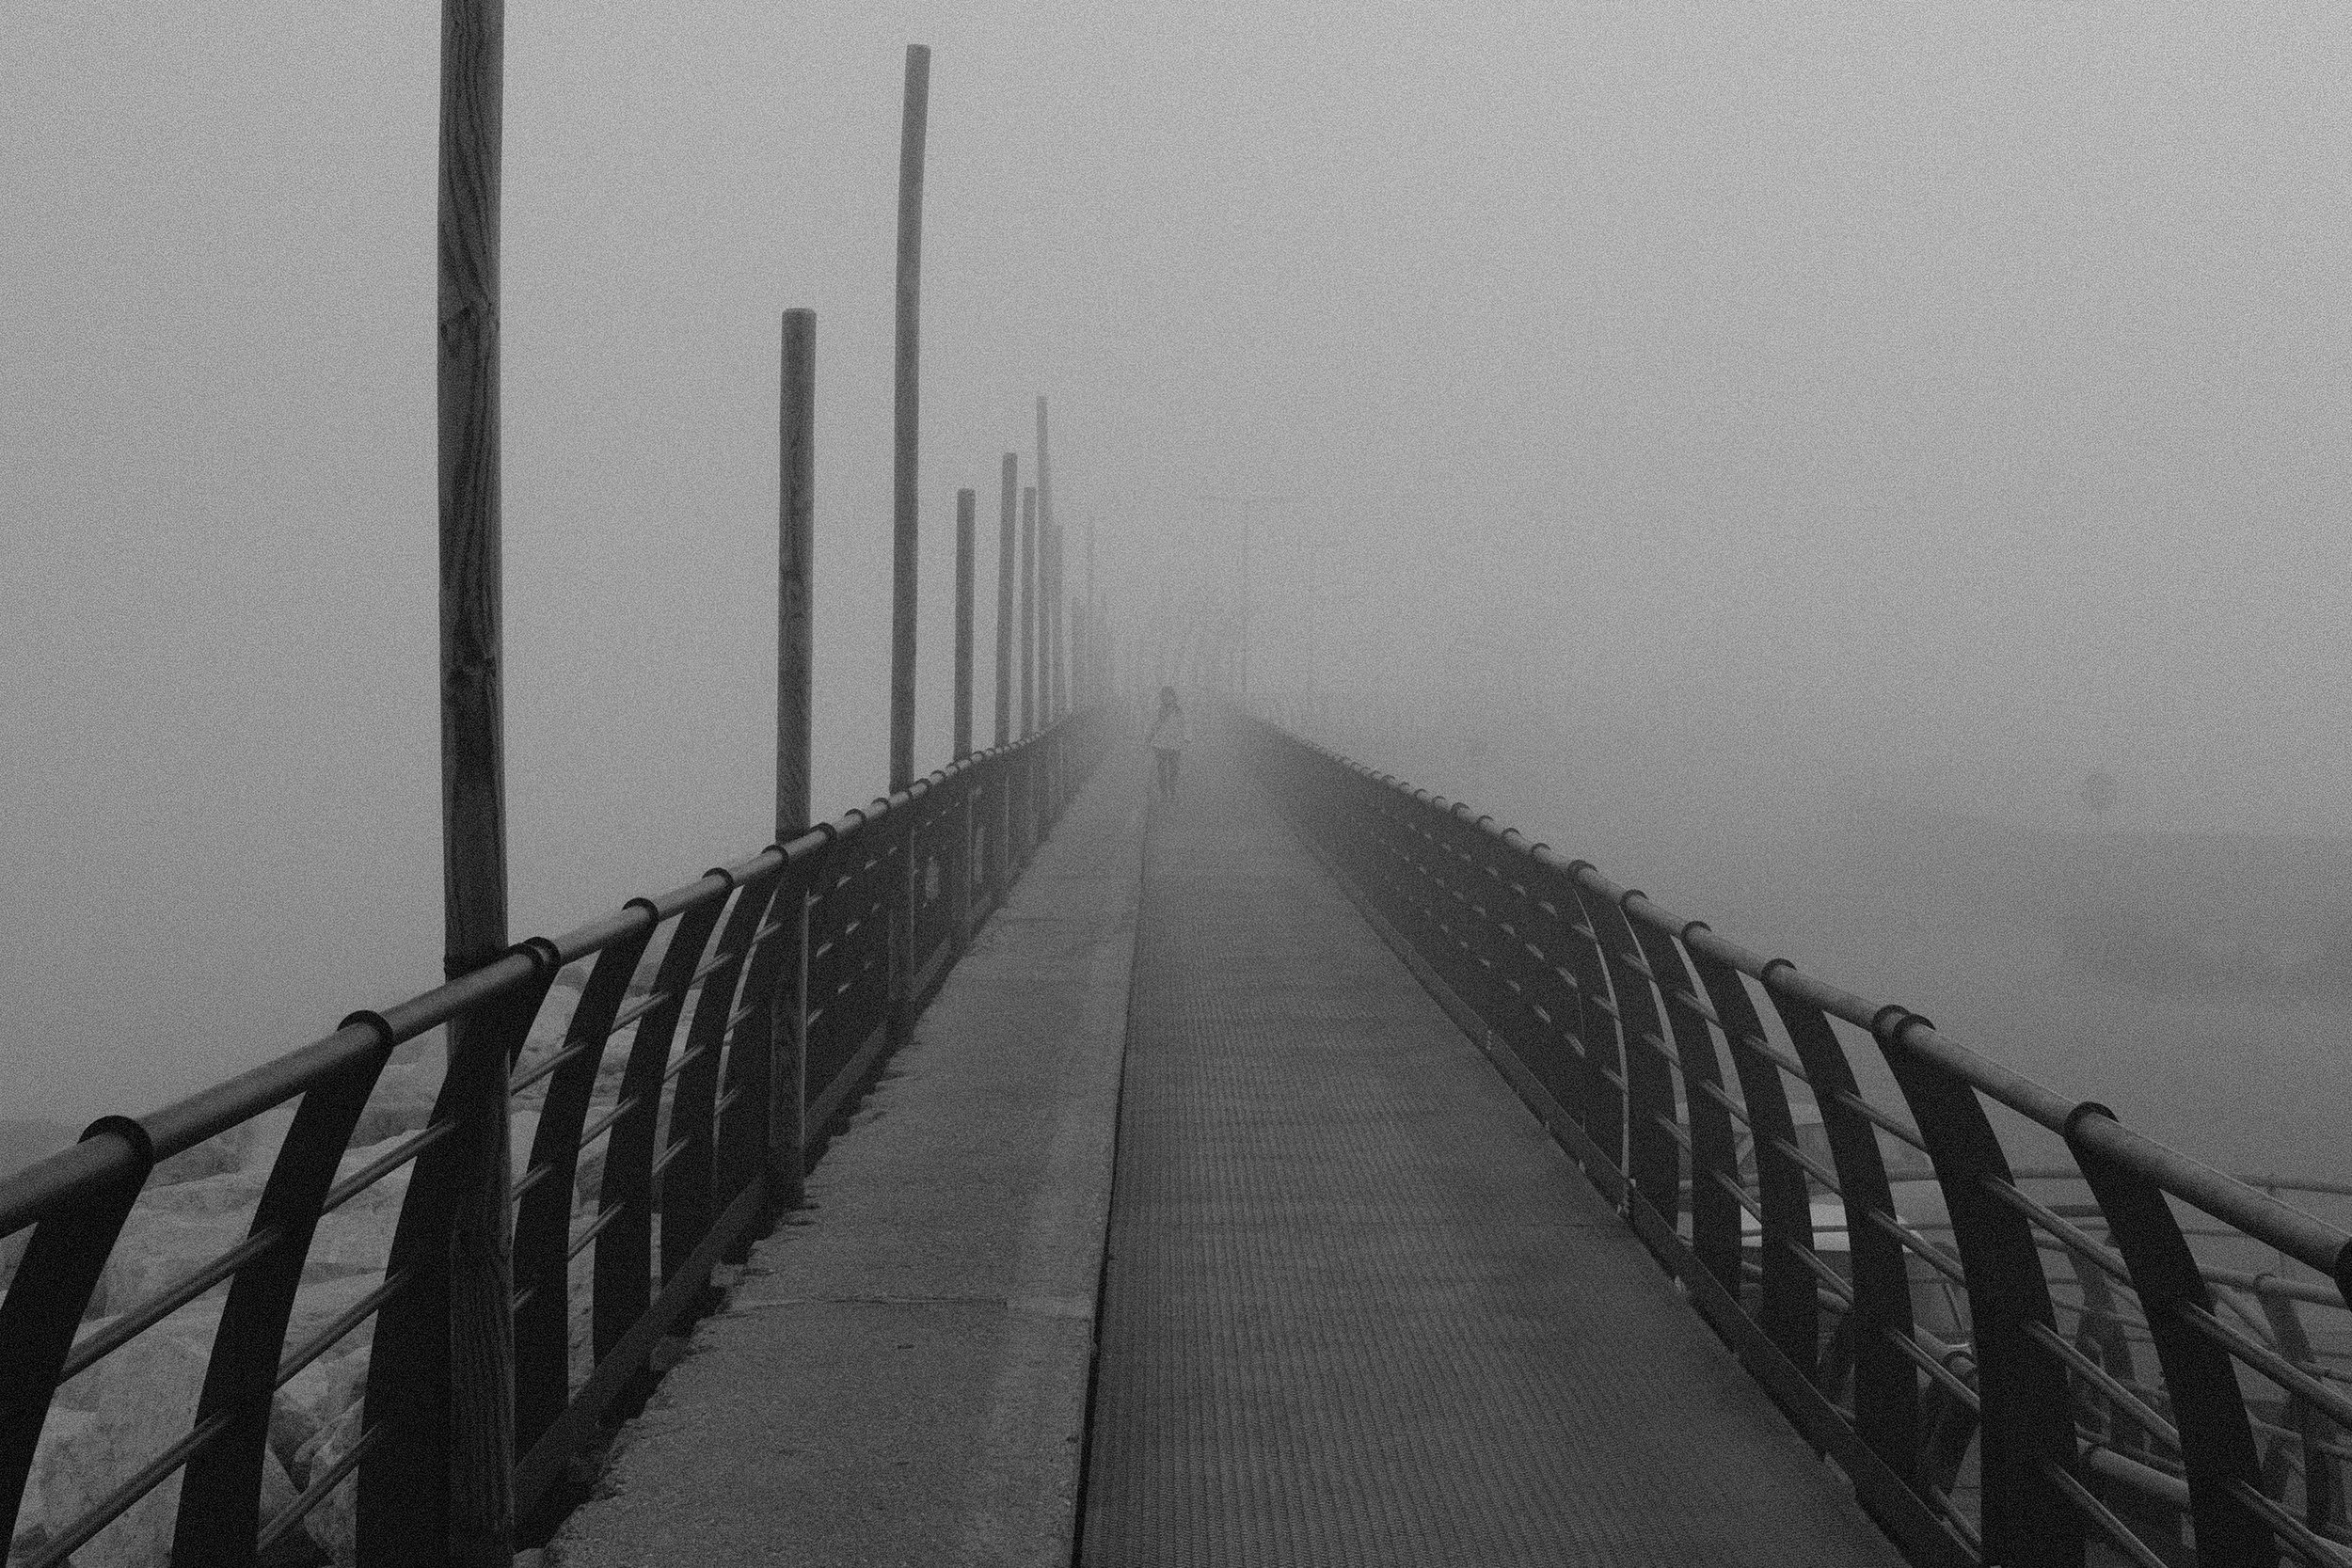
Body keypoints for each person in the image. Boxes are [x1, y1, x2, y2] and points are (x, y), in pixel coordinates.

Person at [1145, 686, 1189, 799]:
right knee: (1162, 770)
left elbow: (1184, 725)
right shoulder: (1158, 710)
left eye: (1169, 695)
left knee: (1174, 769)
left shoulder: (1179, 711)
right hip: (1160, 744)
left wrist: (1187, 738)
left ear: (1174, 697)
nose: (1167, 698)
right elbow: (1152, 724)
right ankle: (1164, 792)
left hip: (1175, 744)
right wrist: (1149, 737)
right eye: (1164, 696)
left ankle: (1173, 790)